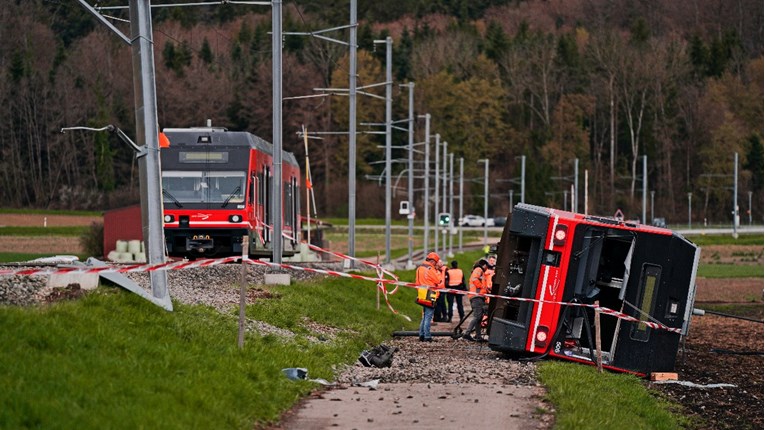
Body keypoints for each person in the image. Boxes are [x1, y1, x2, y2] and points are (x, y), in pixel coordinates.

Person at [416, 252, 444, 342]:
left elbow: (417, 282)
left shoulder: (419, 268)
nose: (436, 264)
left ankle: (421, 334)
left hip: (422, 292)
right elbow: (438, 280)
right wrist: (438, 271)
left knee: (425, 316)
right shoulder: (430, 269)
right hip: (430, 293)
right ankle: (427, 336)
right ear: (433, 261)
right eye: (435, 262)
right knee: (428, 316)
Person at [462, 259, 490, 342]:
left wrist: (486, 290)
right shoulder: (479, 269)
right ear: (484, 265)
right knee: (477, 316)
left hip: (476, 296)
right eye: (486, 267)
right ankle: (467, 333)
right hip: (476, 296)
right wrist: (482, 287)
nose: (486, 268)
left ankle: (478, 336)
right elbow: (475, 279)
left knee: (479, 317)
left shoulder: (478, 270)